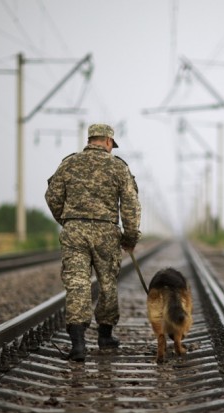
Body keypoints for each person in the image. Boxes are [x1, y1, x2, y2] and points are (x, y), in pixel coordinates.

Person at [45, 123, 141, 362]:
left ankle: (78, 345)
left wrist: (67, 221)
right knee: (107, 283)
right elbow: (130, 205)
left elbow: (53, 196)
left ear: (90, 140)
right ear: (108, 142)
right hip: (106, 233)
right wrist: (129, 237)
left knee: (77, 283)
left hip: (74, 230)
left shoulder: (69, 163)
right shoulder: (118, 167)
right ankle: (105, 336)